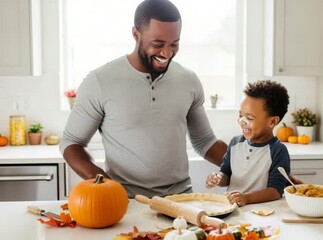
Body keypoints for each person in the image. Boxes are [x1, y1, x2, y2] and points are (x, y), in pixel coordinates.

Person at [59, 0, 227, 198]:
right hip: (126, 202)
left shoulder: (188, 81)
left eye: (174, 44)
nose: (167, 53)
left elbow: (205, 141)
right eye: (158, 44)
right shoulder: (100, 81)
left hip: (181, 200)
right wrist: (106, 187)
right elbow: (71, 143)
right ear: (136, 34)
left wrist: (248, 164)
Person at [205, 80, 292, 206]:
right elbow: (227, 174)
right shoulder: (235, 143)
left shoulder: (278, 150)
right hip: (231, 208)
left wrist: (247, 198)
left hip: (261, 211)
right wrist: (218, 178)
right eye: (240, 115)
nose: (242, 121)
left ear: (272, 122)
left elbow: (276, 191)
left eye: (249, 118)